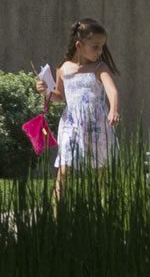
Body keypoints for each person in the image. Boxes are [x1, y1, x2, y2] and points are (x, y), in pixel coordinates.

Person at [38, 18, 120, 200]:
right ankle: (55, 212)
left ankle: (105, 208)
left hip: (97, 125)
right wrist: (46, 92)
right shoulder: (63, 69)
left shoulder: (99, 68)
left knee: (101, 170)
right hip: (72, 124)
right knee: (64, 167)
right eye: (95, 47)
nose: (100, 51)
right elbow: (60, 97)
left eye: (102, 47)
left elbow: (112, 91)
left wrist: (113, 109)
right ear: (79, 45)